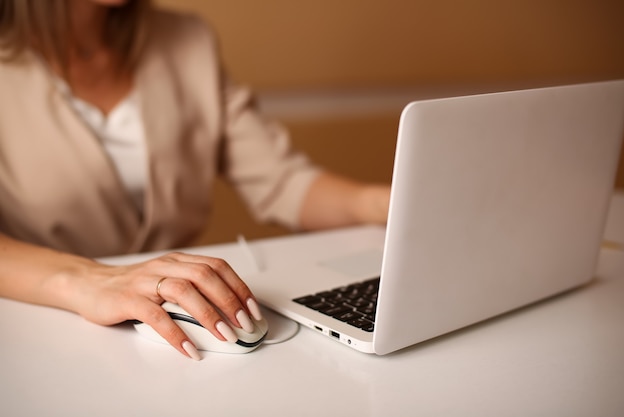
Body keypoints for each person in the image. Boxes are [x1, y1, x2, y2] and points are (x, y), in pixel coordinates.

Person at [0, 0, 390, 360]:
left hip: (178, 338)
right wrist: (93, 280)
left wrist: (392, 203)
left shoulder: (187, 39)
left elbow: (282, 180)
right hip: (40, 335)